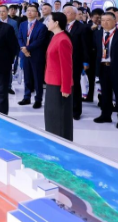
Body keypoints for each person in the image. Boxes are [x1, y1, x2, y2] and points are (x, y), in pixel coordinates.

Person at [93, 12, 118, 128]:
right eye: (103, 20)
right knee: (105, 93)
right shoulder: (97, 34)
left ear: (115, 21)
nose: (105, 22)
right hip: (103, 67)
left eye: (108, 20)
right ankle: (105, 115)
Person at [44, 12, 74, 141]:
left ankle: (62, 142)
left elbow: (67, 67)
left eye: (49, 20)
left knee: (59, 118)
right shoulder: (55, 37)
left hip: (59, 85)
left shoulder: (63, 40)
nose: (47, 23)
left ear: (56, 23)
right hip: (51, 82)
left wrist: (65, 88)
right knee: (51, 116)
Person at [63, 5, 91, 120]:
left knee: (74, 85)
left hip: (75, 60)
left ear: (75, 14)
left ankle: (76, 110)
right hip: (62, 61)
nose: (65, 14)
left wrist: (86, 61)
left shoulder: (82, 28)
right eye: (64, 12)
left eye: (68, 12)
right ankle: (64, 108)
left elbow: (86, 46)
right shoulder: (61, 26)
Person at [18, 6, 48, 109]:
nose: (30, 12)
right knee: (27, 77)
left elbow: (40, 41)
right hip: (25, 54)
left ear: (37, 13)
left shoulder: (42, 26)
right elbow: (20, 37)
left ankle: (38, 99)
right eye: (28, 11)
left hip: (36, 55)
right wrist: (23, 49)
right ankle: (26, 97)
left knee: (37, 78)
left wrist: (27, 48)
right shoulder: (22, 24)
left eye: (32, 11)